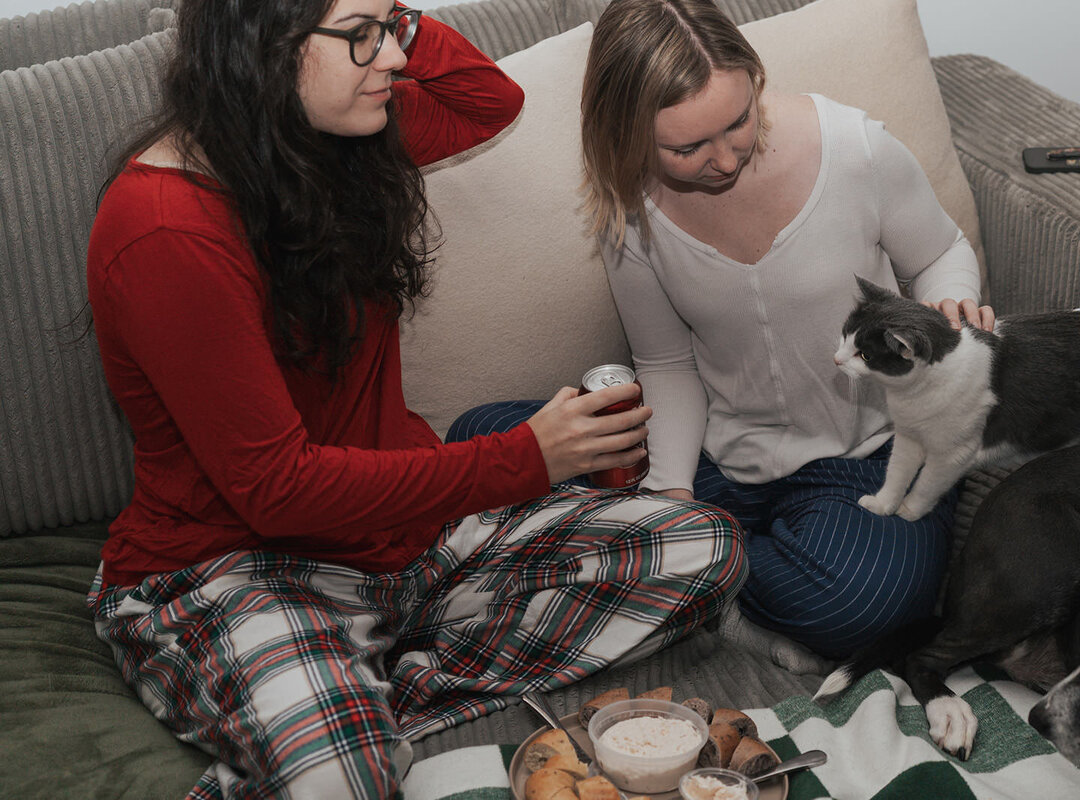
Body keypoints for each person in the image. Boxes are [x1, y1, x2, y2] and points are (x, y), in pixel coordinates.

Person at [84, 0, 746, 796]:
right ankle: (343, 719)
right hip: (233, 567)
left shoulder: (334, 132)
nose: (393, 58)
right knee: (343, 778)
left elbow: (487, 101)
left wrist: (394, 15)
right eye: (363, 36)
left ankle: (370, 696)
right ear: (265, 43)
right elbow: (277, 489)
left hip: (405, 546)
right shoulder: (164, 228)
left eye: (390, 26)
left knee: (702, 547)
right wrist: (526, 458)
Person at [450, 0, 995, 663]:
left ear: (754, 81)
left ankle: (671, 576)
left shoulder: (855, 149)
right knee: (482, 437)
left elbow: (940, 254)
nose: (725, 156)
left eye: (738, 121)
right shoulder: (631, 210)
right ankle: (693, 564)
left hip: (863, 457)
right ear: (628, 136)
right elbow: (667, 362)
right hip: (716, 458)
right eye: (687, 147)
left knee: (861, 605)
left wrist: (952, 306)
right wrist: (671, 500)